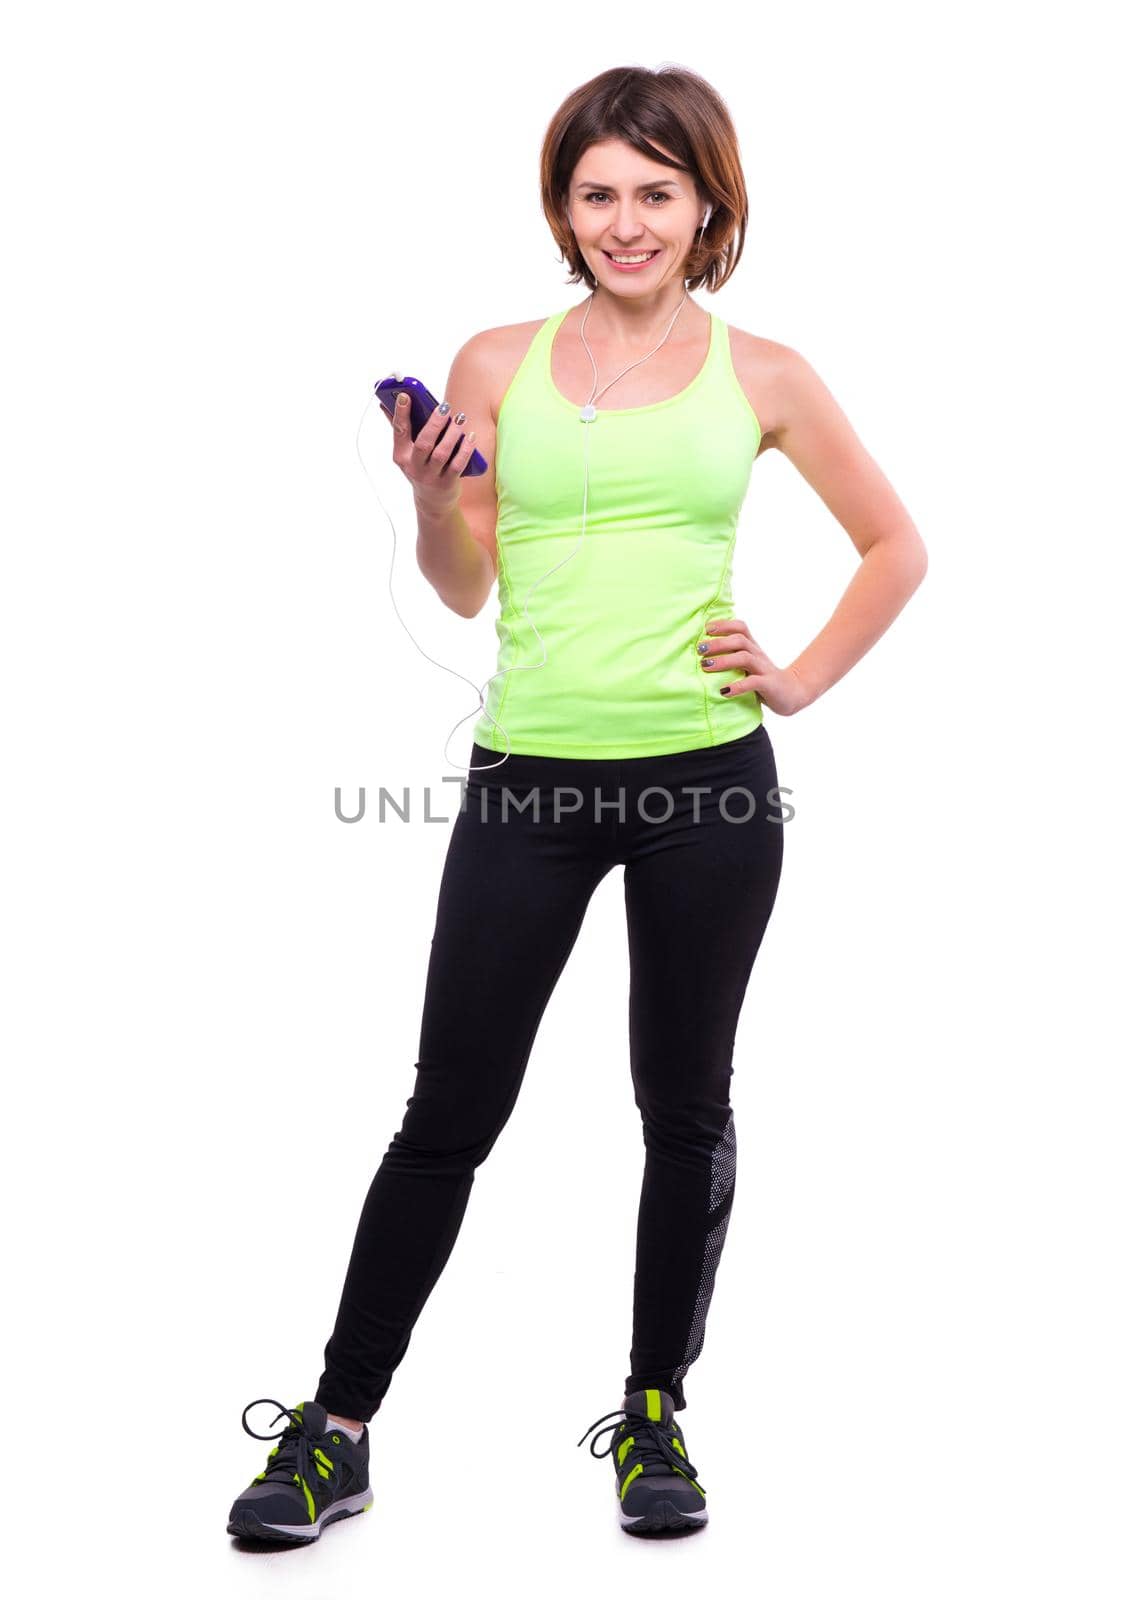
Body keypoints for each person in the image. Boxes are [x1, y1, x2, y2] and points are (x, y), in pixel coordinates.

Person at [227, 62, 928, 1545]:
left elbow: (893, 547)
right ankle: (335, 1429)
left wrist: (792, 679)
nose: (623, 222)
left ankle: (653, 1415)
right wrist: (430, 497)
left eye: (653, 194)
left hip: (705, 791)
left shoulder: (770, 375)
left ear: (705, 207)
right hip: (527, 786)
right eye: (596, 192)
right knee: (447, 1113)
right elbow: (466, 585)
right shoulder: (493, 361)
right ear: (563, 206)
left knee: (683, 1112)